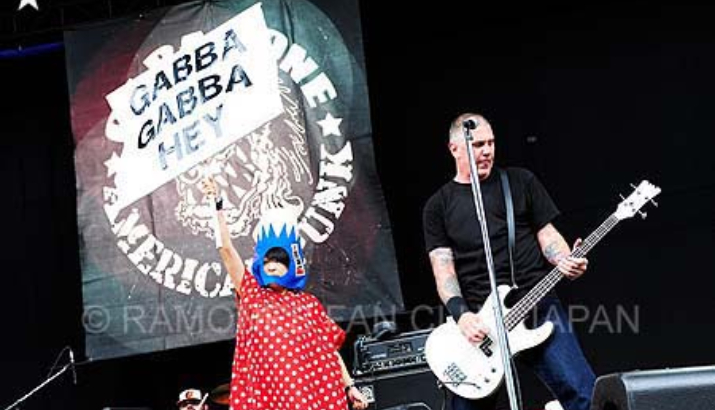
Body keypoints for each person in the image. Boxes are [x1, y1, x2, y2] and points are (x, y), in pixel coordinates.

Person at [422, 113, 596, 410]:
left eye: (490, 143)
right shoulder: (438, 206)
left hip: (536, 303)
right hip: (481, 323)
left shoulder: (519, 181)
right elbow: (444, 272)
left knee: (582, 394)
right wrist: (462, 316)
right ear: (454, 149)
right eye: (478, 145)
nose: (487, 151)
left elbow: (547, 235)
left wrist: (565, 259)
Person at [201, 177, 369, 410]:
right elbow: (226, 250)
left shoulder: (308, 304)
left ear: (292, 263)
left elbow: (328, 350)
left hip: (314, 396)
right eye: (267, 261)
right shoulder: (252, 294)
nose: (272, 266)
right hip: (271, 398)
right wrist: (216, 204)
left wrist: (350, 387)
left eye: (279, 261)